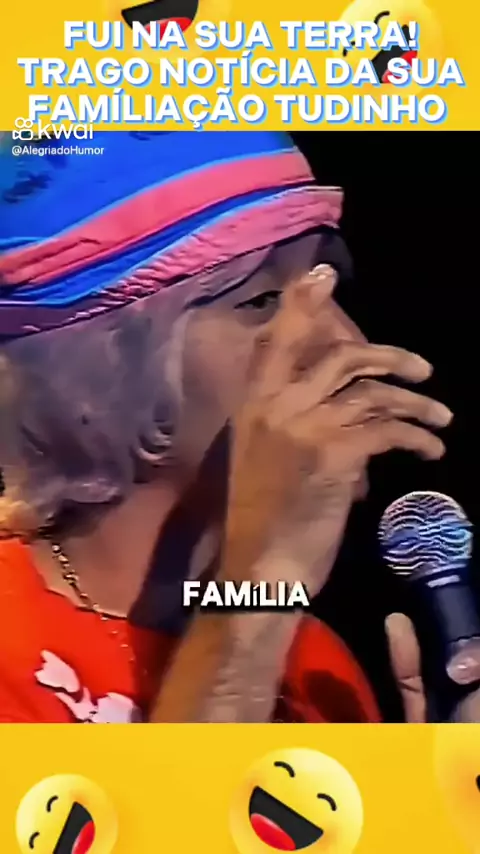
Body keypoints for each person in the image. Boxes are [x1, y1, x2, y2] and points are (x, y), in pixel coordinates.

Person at [0, 130, 451, 724]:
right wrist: (266, 578)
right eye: (260, 302)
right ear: (90, 370)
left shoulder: (315, 666)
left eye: (330, 286)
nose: (346, 341)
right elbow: (175, 794)